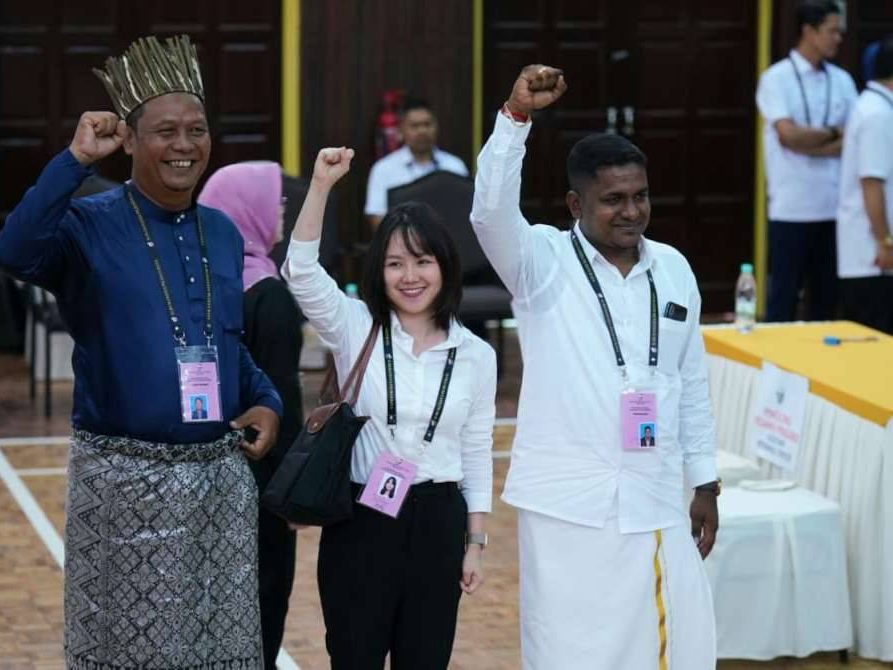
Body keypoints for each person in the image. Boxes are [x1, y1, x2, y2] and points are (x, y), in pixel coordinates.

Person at [0, 35, 282, 670]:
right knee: (131, 651)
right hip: (124, 484)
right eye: (166, 131)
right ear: (129, 140)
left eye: (197, 130)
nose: (185, 145)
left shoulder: (224, 233)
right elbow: (13, 252)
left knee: (221, 649)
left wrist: (265, 400)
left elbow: (225, 342)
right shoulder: (89, 224)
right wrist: (72, 160)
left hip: (218, 485)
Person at [471, 64, 721, 669]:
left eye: (640, 196)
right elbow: (489, 213)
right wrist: (515, 120)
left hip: (655, 490)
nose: (631, 212)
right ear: (575, 203)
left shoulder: (674, 268)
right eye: (613, 200)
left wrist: (706, 481)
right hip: (569, 505)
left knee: (671, 645)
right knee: (570, 650)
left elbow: (689, 381)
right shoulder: (541, 262)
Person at [284, 147, 497, 669]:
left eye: (423, 261)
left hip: (438, 523)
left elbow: (476, 450)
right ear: (378, 271)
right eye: (395, 263)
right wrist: (320, 185)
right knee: (354, 657)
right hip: (362, 522)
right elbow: (301, 271)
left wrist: (475, 543)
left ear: (445, 266)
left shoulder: (476, 355)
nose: (410, 276)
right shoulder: (355, 327)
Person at [198, 160, 304, 669]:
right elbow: (282, 400)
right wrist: (293, 491)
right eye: (275, 200)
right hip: (259, 477)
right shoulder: (270, 296)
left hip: (200, 471)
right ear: (249, 211)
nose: (282, 209)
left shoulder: (199, 286)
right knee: (263, 594)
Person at [755, 0, 858, 322]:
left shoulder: (841, 79)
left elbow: (855, 140)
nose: (838, 38)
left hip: (834, 207)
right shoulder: (777, 78)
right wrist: (832, 132)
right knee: (783, 299)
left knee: (826, 302)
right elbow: (788, 136)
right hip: (791, 208)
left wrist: (810, 141)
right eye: (831, 31)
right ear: (809, 31)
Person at [836, 36, 893, 334]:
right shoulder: (877, 114)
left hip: (873, 255)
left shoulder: (877, 108)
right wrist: (885, 242)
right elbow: (872, 182)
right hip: (872, 257)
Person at [364, 97, 469, 230]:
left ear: (436, 126)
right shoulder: (383, 169)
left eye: (427, 124)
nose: (422, 131)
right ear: (401, 130)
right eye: (414, 126)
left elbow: (465, 215)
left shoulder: (455, 166)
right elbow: (377, 219)